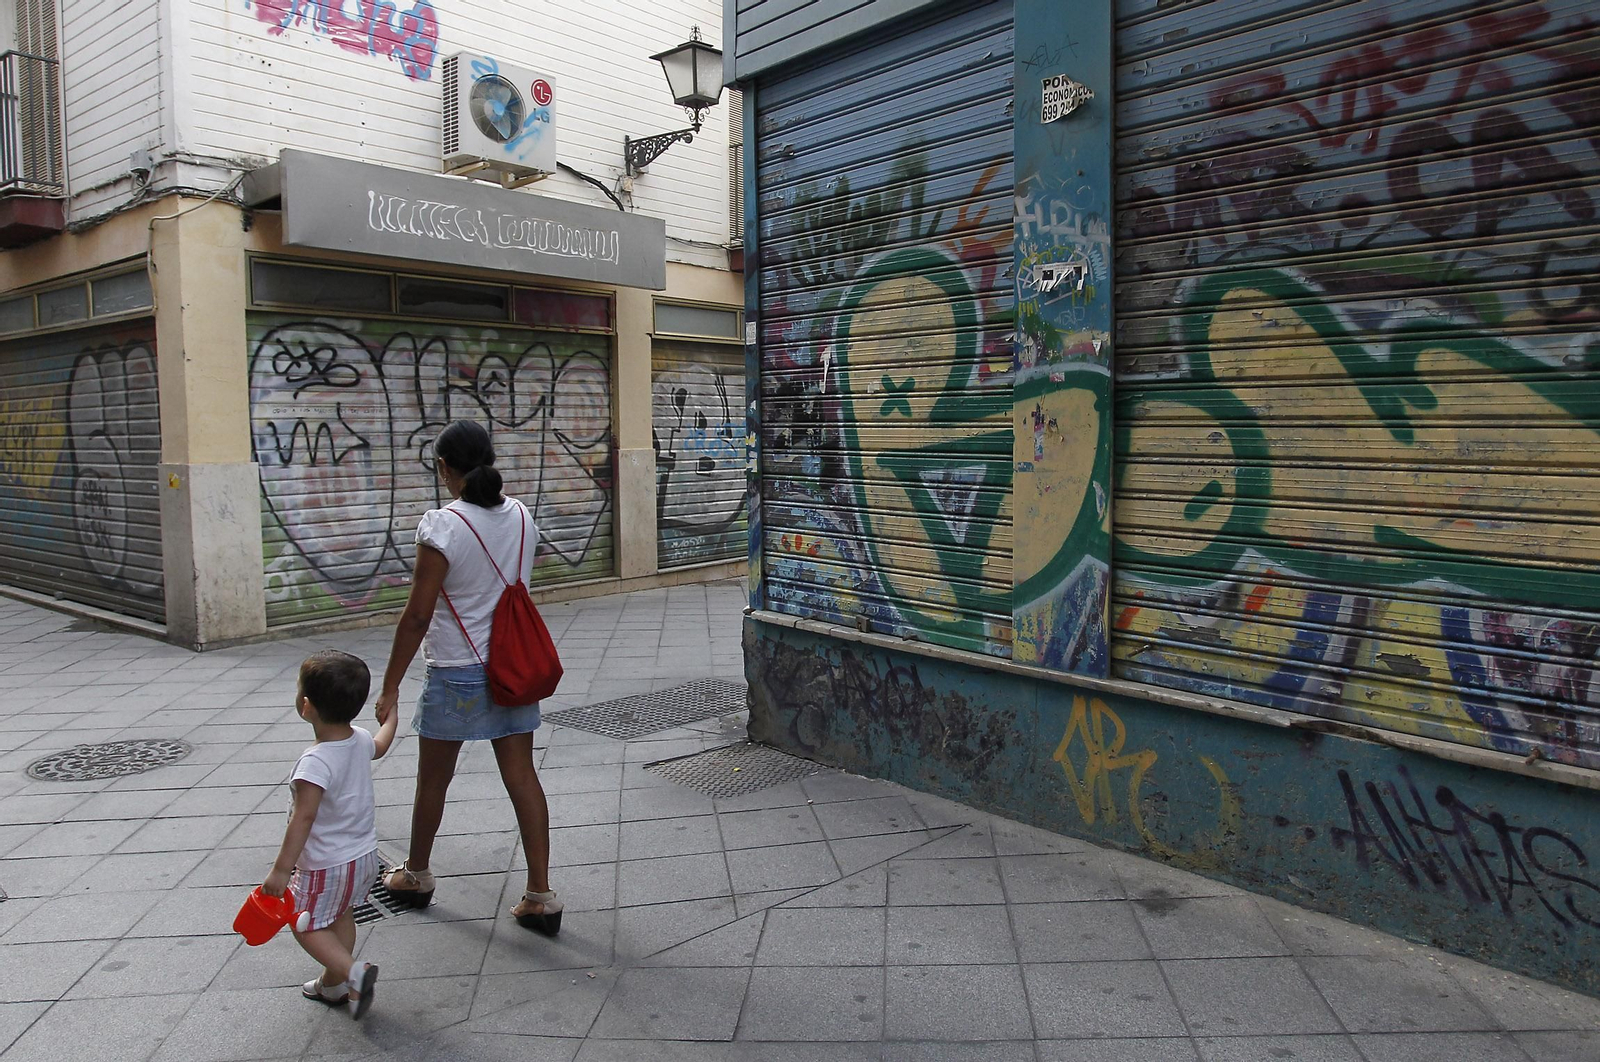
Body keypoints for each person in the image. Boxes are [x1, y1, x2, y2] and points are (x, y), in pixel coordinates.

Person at [372, 419, 563, 935]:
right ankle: (541, 894)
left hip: (457, 671)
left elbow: (417, 615)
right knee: (522, 776)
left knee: (433, 779)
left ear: (444, 468)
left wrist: (389, 684)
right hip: (511, 669)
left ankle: (416, 874)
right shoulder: (522, 515)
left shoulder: (441, 526)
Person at [263, 649, 397, 1019]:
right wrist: (392, 714)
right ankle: (333, 984)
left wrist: (280, 871)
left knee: (303, 922)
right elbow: (383, 742)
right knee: (340, 916)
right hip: (364, 858)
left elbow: (303, 819)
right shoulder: (360, 739)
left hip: (325, 865)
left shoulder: (314, 763)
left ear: (306, 706)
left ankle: (354, 972)